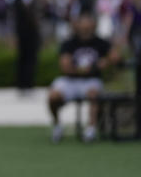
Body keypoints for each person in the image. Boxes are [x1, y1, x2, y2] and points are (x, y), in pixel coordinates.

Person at [47, 12, 122, 143]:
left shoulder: (101, 43)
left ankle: (91, 129)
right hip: (71, 80)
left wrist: (106, 62)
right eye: (83, 23)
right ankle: (57, 125)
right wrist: (85, 69)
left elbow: (116, 58)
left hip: (91, 80)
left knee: (93, 93)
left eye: (88, 23)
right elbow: (65, 67)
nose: (86, 27)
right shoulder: (69, 43)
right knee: (53, 96)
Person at [15, 0, 42, 94]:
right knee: (28, 56)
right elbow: (27, 8)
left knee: (24, 56)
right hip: (27, 29)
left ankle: (23, 84)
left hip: (22, 29)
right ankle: (26, 84)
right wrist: (34, 24)